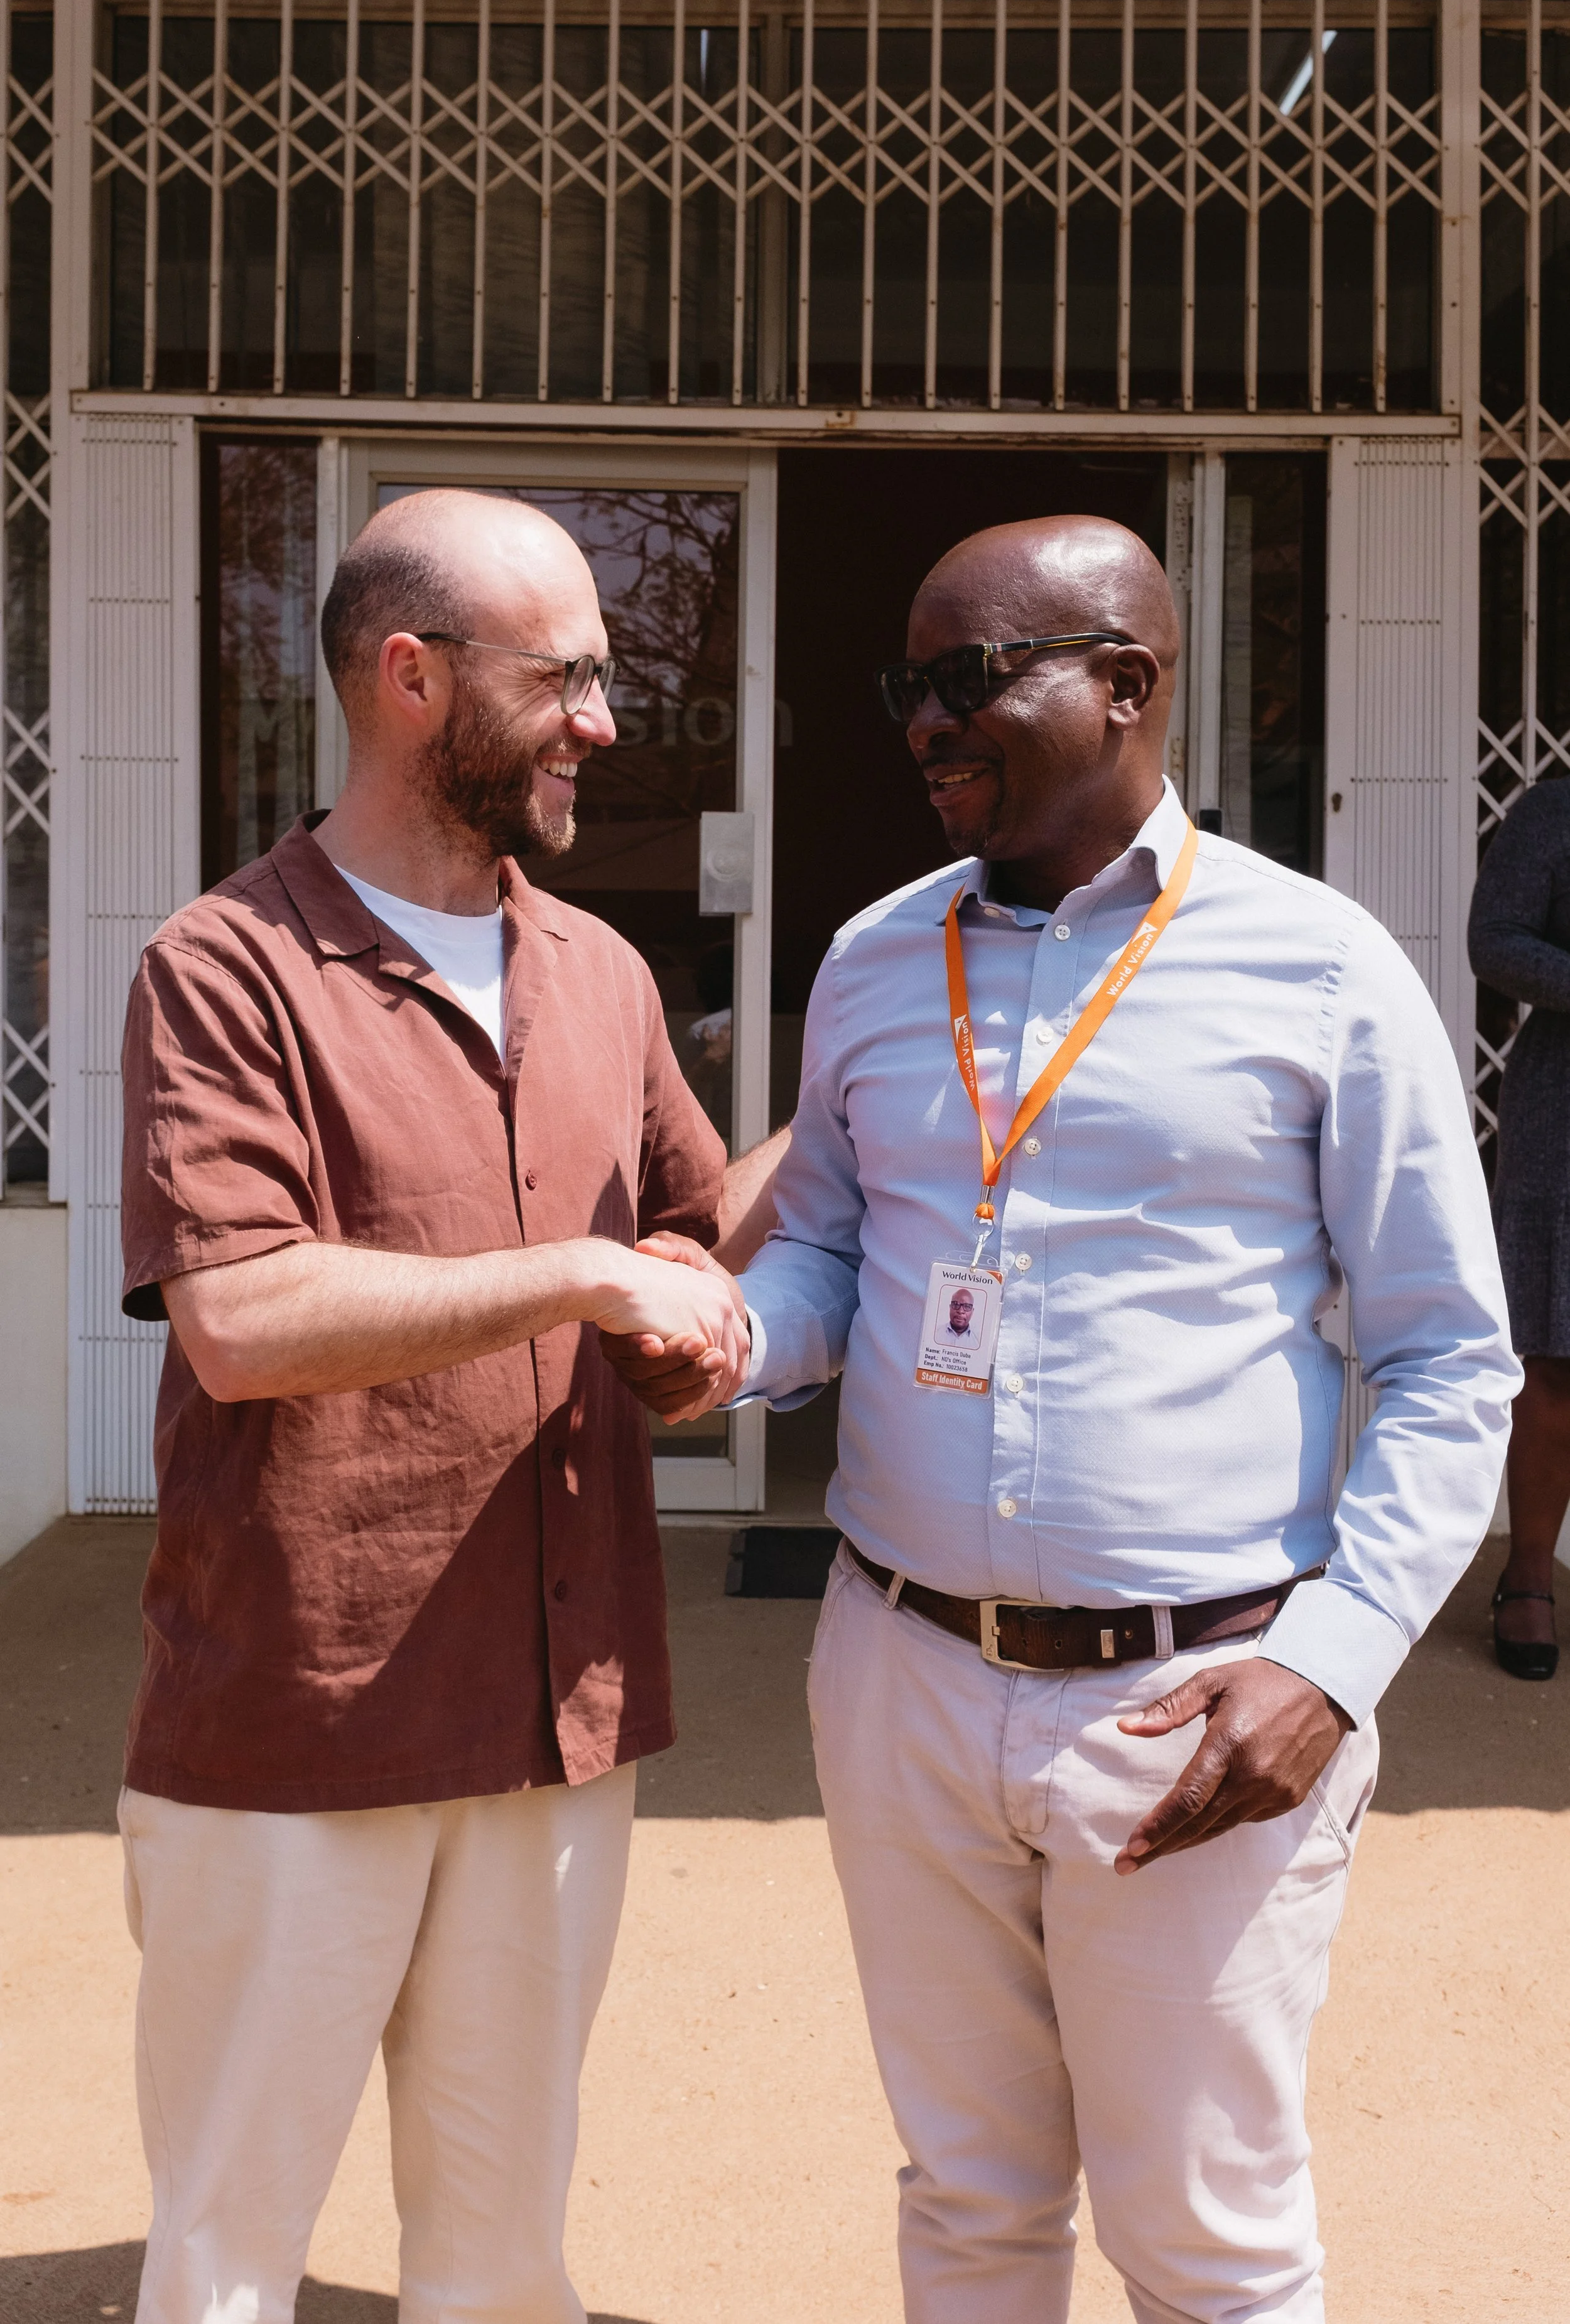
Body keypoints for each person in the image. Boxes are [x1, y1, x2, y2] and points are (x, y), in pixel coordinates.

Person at [607, 517, 1518, 2323]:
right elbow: (843, 1264)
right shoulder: (875, 959)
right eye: (904, 689)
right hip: (901, 1677)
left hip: (1192, 1703)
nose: (924, 726)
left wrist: (1328, 1662)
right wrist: (732, 1343)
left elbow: (1447, 1360)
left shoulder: (1320, 969)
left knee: (1205, 2241)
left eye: (967, 680)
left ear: (1125, 681)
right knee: (967, 2195)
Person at [116, 488, 759, 2324]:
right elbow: (240, 1314)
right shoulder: (227, 965)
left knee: (501, 2264)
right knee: (230, 2261)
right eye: (564, 676)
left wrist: (869, 1111)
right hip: (297, 1732)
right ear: (410, 679)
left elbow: (690, 1235)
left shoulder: (603, 969)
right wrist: (581, 1275)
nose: (605, 720)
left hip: (561, 1715)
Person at [1469, 775, 1570, 1679]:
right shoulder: (1555, 809)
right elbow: (1492, 942)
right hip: (1565, 1115)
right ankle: (1530, 1574)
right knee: (1556, 1352)